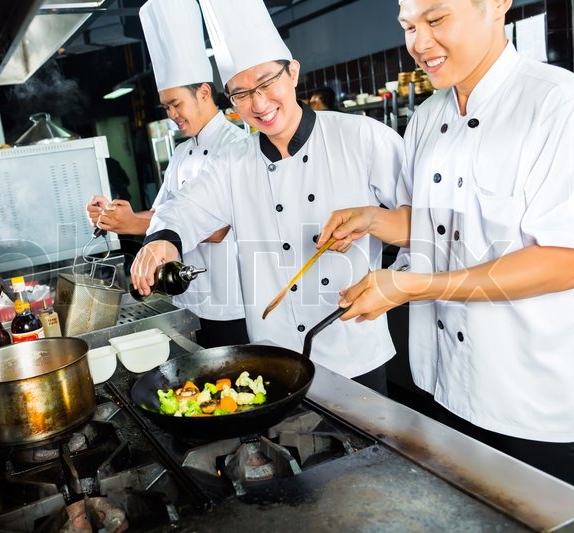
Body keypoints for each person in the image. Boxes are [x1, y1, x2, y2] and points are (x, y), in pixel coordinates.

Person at [318, 0, 574, 494]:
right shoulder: (427, 118)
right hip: (445, 385)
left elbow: (562, 263)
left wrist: (413, 286)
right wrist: (376, 220)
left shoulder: (565, 106)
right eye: (409, 27)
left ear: (497, 5)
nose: (419, 43)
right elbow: (439, 226)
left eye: (435, 20)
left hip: (531, 399)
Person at [130, 0, 405, 393]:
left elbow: (422, 224)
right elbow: (185, 208)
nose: (259, 104)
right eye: (241, 94)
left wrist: (391, 271)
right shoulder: (232, 162)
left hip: (353, 349)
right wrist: (162, 241)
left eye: (266, 83)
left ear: (292, 72)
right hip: (274, 359)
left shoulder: (363, 138)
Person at [87, 0, 249, 348]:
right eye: (166, 107)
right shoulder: (180, 152)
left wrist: (136, 225)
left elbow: (218, 226)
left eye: (177, 104)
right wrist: (122, 218)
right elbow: (165, 213)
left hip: (230, 305)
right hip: (185, 299)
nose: (171, 114)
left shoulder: (236, 146)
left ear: (204, 92)